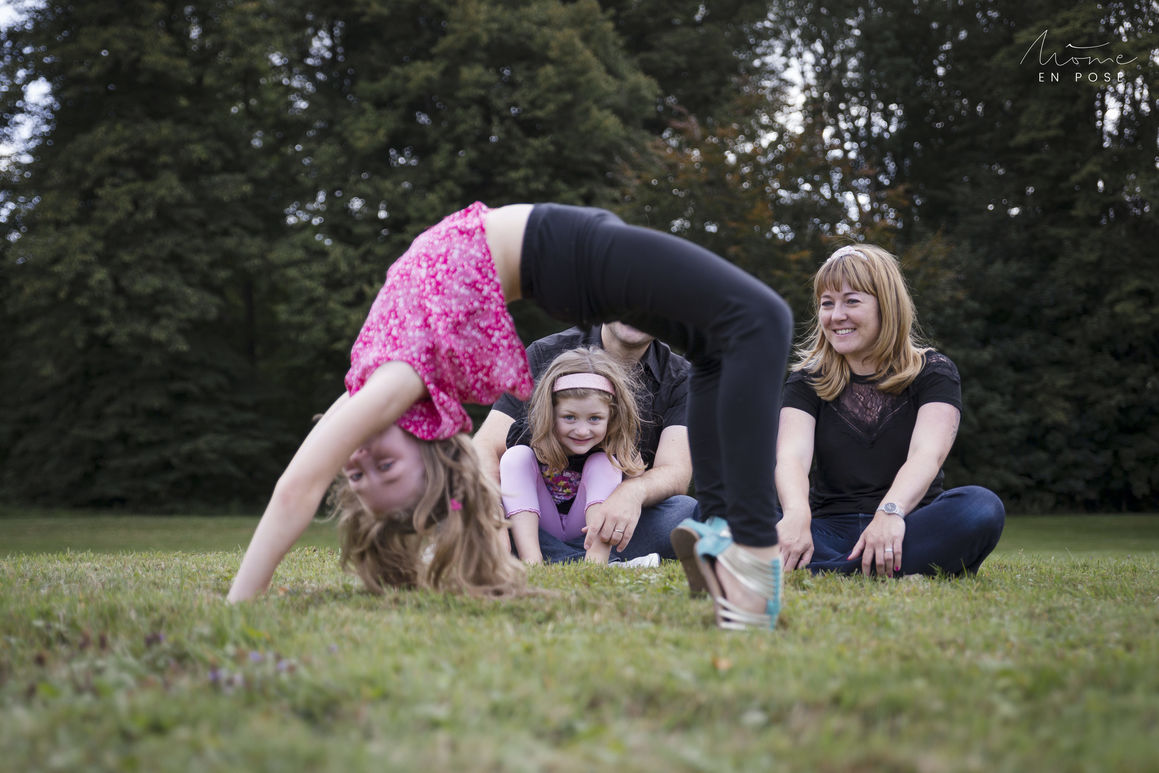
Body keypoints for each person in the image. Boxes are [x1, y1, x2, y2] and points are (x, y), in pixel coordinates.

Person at [228, 202, 792, 633]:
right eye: (383, 472)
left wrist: (241, 601)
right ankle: (746, 550)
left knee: (723, 342)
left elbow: (296, 487)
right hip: (558, 255)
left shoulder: (374, 391)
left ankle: (727, 539)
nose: (361, 460)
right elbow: (301, 486)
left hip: (547, 252)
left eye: (359, 474)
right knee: (760, 320)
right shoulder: (397, 384)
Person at [774, 244, 1005, 578]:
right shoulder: (807, 379)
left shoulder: (933, 371)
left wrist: (890, 513)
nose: (836, 315)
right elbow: (792, 457)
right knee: (731, 506)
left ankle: (823, 571)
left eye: (852, 301)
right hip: (826, 531)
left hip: (907, 524)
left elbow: (927, 455)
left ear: (887, 305)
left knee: (981, 507)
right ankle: (883, 570)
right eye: (827, 303)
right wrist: (796, 515)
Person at [474, 322, 696, 565]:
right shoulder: (543, 353)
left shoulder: (681, 378)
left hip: (610, 522)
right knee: (475, 497)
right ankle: (596, 563)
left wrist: (632, 491)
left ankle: (571, 560)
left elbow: (676, 472)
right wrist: (489, 508)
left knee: (684, 512)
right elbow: (486, 446)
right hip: (533, 521)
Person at [499, 347, 650, 565]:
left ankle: (595, 563)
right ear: (551, 412)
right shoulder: (527, 435)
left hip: (584, 528)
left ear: (611, 415)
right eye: (569, 417)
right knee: (515, 457)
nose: (582, 431)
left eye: (595, 419)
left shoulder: (614, 444)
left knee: (604, 462)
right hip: (539, 523)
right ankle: (532, 561)